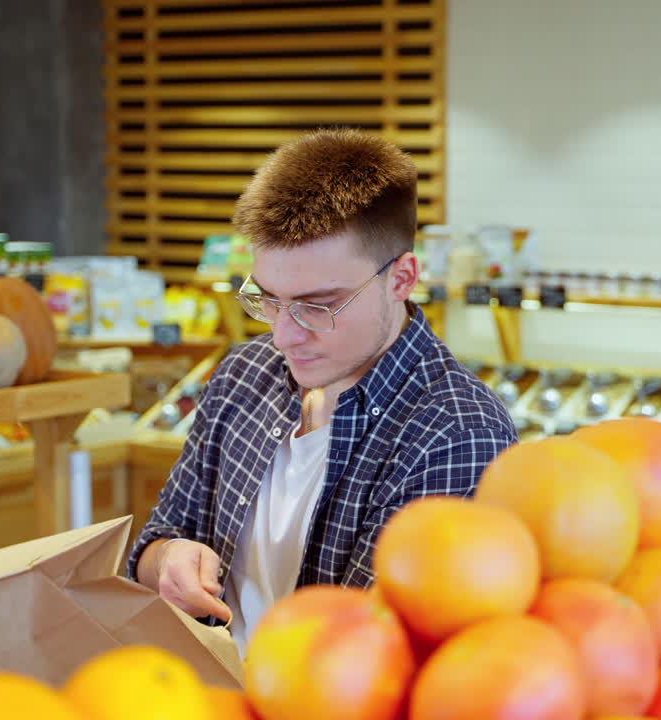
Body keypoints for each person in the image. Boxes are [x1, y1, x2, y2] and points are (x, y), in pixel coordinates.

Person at [127, 129, 518, 655]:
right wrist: (169, 559)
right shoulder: (244, 374)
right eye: (267, 299)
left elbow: (366, 658)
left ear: (401, 278)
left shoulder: (455, 434)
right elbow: (156, 541)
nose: (285, 335)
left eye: (319, 305)